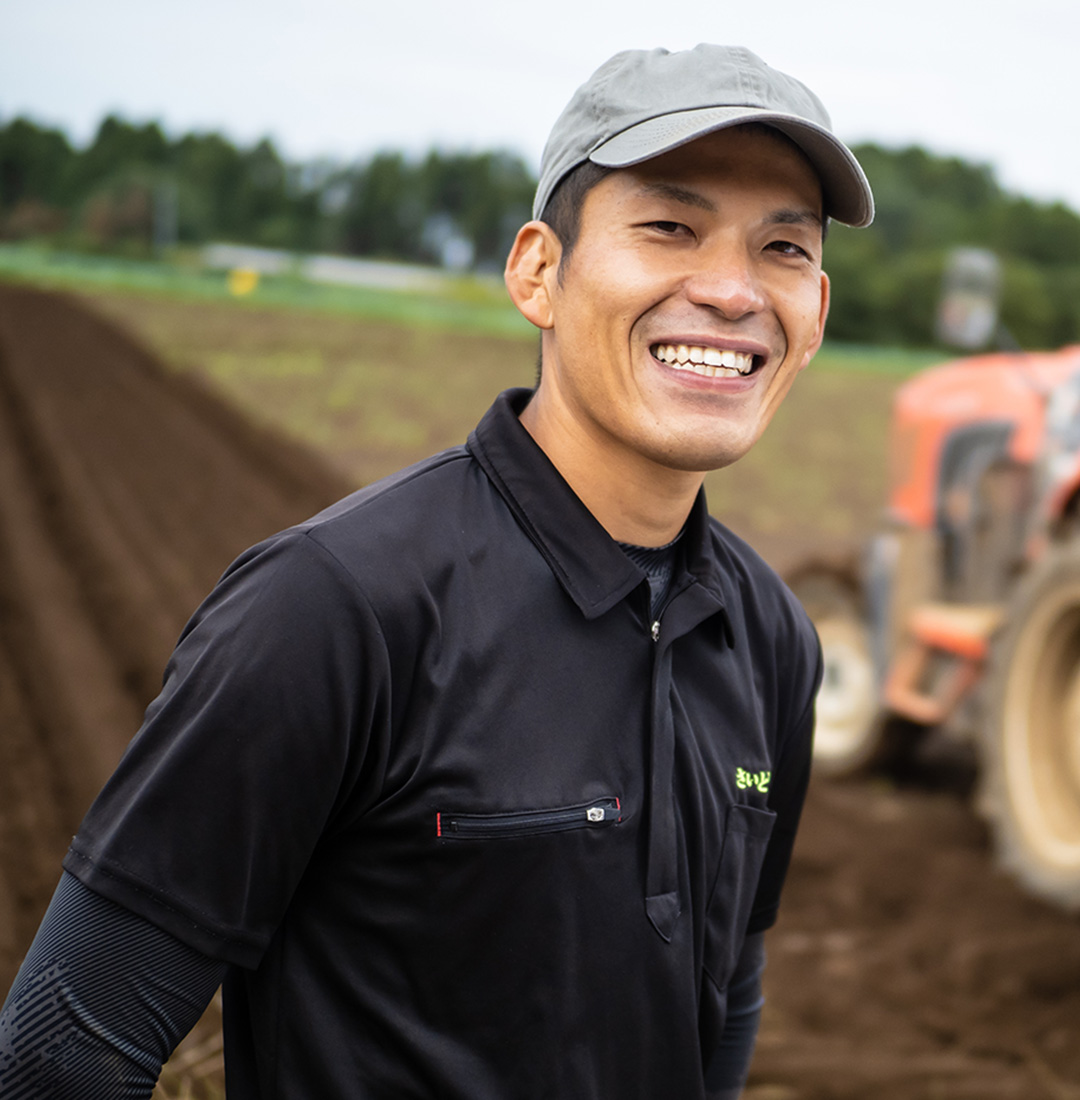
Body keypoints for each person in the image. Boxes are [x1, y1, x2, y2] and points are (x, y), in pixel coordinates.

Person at [0, 43, 873, 1099]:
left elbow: (726, 982)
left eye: (782, 248)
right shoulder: (334, 607)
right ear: (538, 271)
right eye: (670, 228)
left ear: (816, 310)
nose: (732, 290)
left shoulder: (773, 636)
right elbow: (62, 1049)